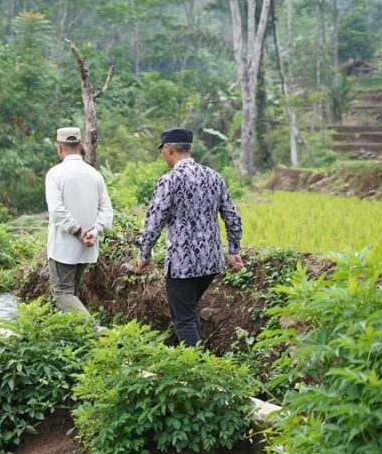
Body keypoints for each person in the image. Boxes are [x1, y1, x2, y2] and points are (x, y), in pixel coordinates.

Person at [136, 128, 244, 347]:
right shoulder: (213, 176)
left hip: (181, 264)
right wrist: (233, 250)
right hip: (211, 262)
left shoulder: (170, 180)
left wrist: (144, 254)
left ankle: (198, 371)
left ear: (168, 149)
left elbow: (154, 221)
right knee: (187, 310)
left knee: (183, 319)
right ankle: (181, 360)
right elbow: (232, 214)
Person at [45, 127, 113, 324]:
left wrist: (78, 232)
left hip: (64, 247)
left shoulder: (55, 174)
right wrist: (93, 231)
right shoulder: (95, 174)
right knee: (72, 292)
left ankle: (96, 331)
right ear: (81, 147)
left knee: (62, 293)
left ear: (60, 148)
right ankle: (76, 338)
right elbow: (107, 212)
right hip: (87, 248)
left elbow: (57, 211)